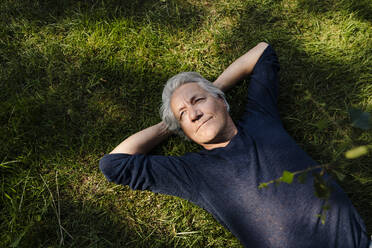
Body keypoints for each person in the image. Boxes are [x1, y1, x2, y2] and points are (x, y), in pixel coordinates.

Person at [99, 42, 370, 247]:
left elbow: (263, 52)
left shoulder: (261, 119)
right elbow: (114, 164)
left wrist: (213, 88)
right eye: (183, 114)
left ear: (222, 99)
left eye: (197, 101)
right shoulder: (192, 173)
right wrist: (170, 124)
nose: (193, 114)